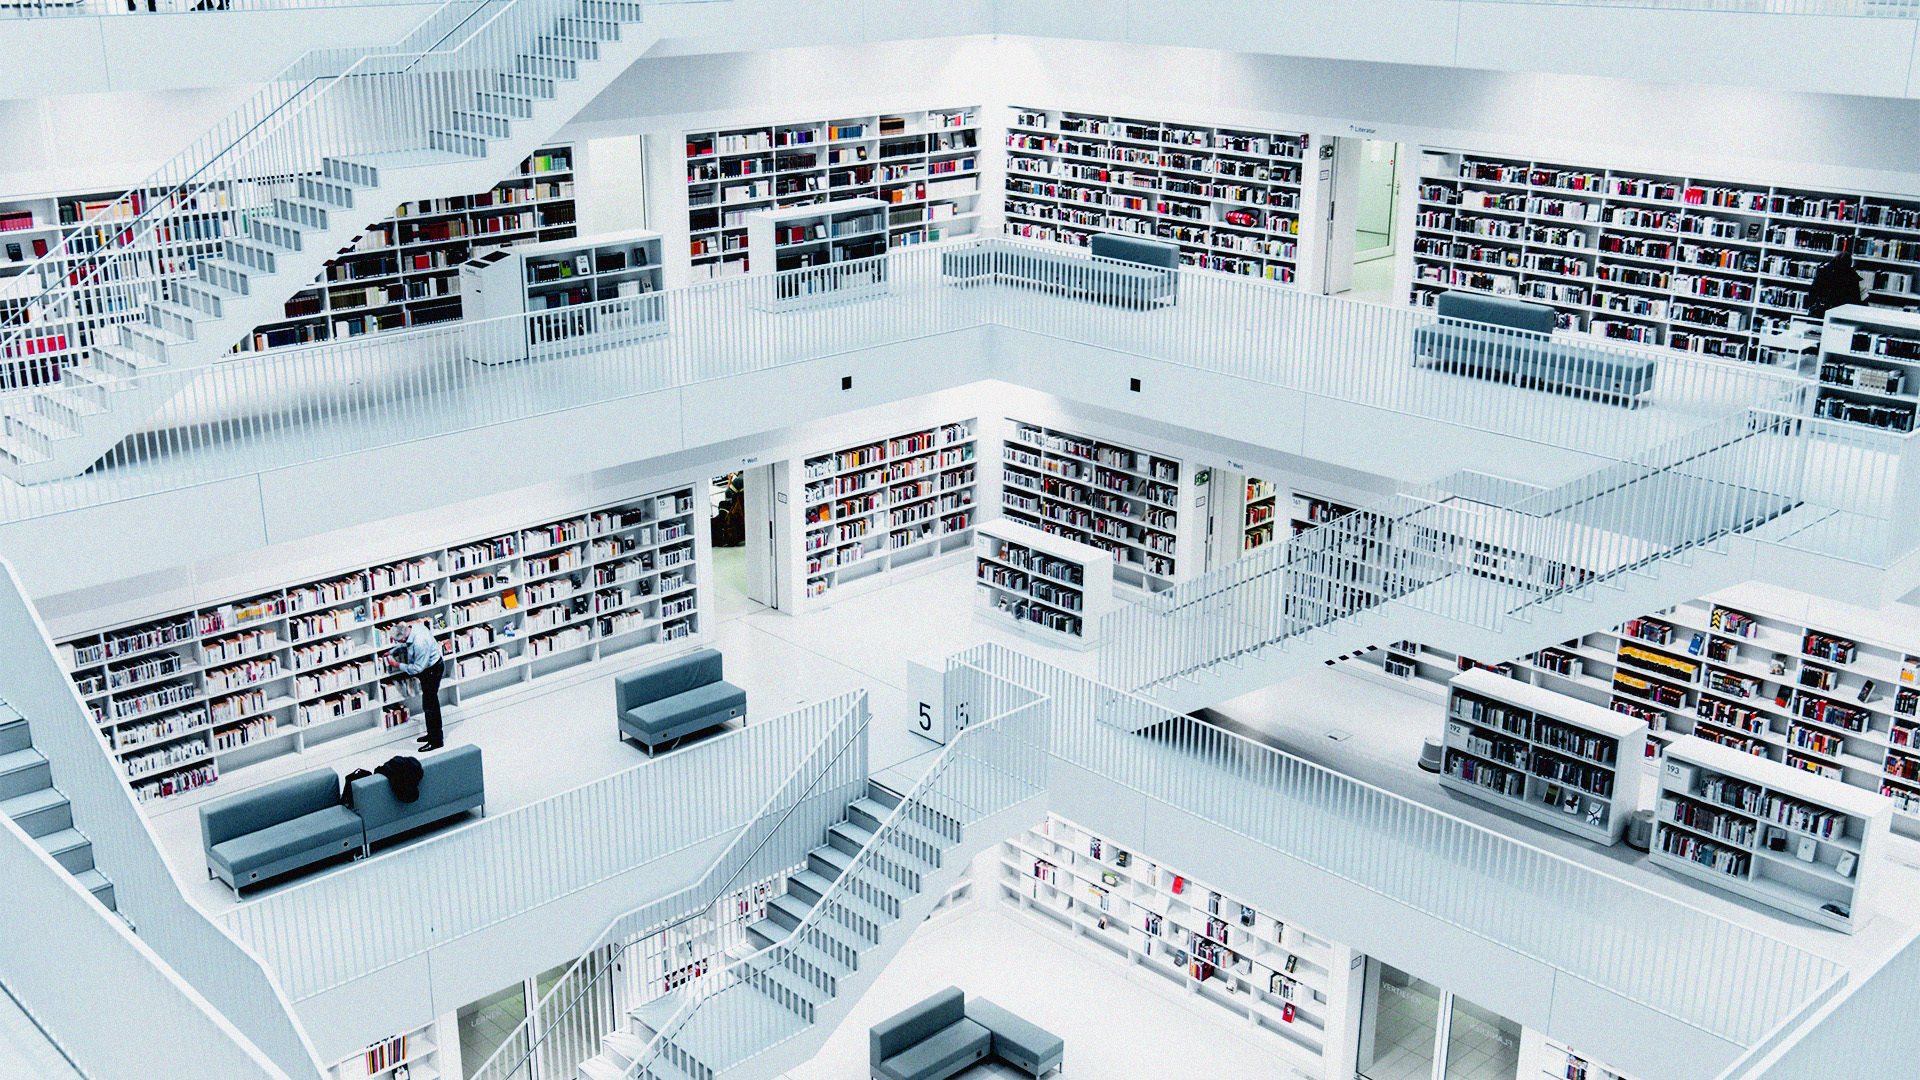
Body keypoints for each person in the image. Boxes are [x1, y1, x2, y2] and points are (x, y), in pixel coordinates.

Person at [388, 621, 445, 751]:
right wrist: (393, 650)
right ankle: (432, 734)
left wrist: (398, 665)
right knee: (429, 705)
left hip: (432, 671)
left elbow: (418, 668)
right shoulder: (413, 627)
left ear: (402, 638)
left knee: (430, 707)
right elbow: (407, 646)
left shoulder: (420, 642)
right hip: (429, 669)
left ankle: (436, 740)